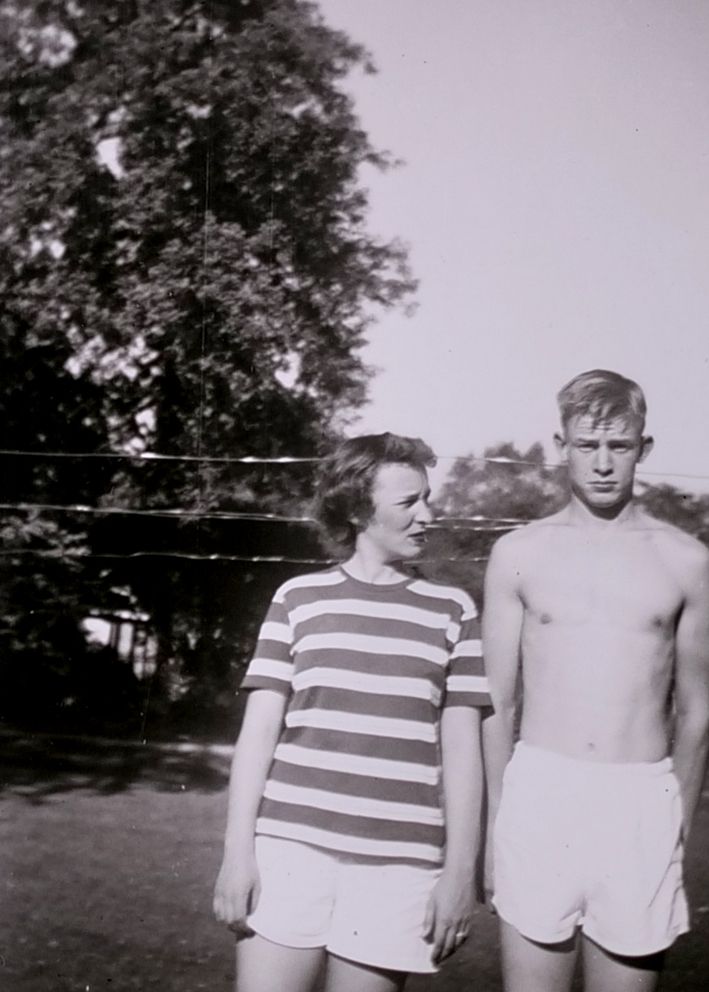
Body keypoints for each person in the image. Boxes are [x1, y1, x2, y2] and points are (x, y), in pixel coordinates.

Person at [214, 432, 490, 992]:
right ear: (358, 510)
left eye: (427, 498)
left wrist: (460, 874)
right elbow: (258, 735)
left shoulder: (453, 610)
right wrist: (236, 855)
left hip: (400, 866)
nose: (427, 515)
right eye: (409, 502)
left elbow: (464, 754)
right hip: (289, 853)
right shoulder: (297, 599)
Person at [482, 369, 709, 992]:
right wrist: (497, 823)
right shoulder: (519, 553)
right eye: (587, 445)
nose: (603, 463)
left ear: (644, 447)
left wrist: (676, 823)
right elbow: (497, 702)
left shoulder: (686, 560)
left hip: (639, 798)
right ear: (562, 446)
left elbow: (697, 712)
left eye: (619, 445)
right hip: (540, 792)